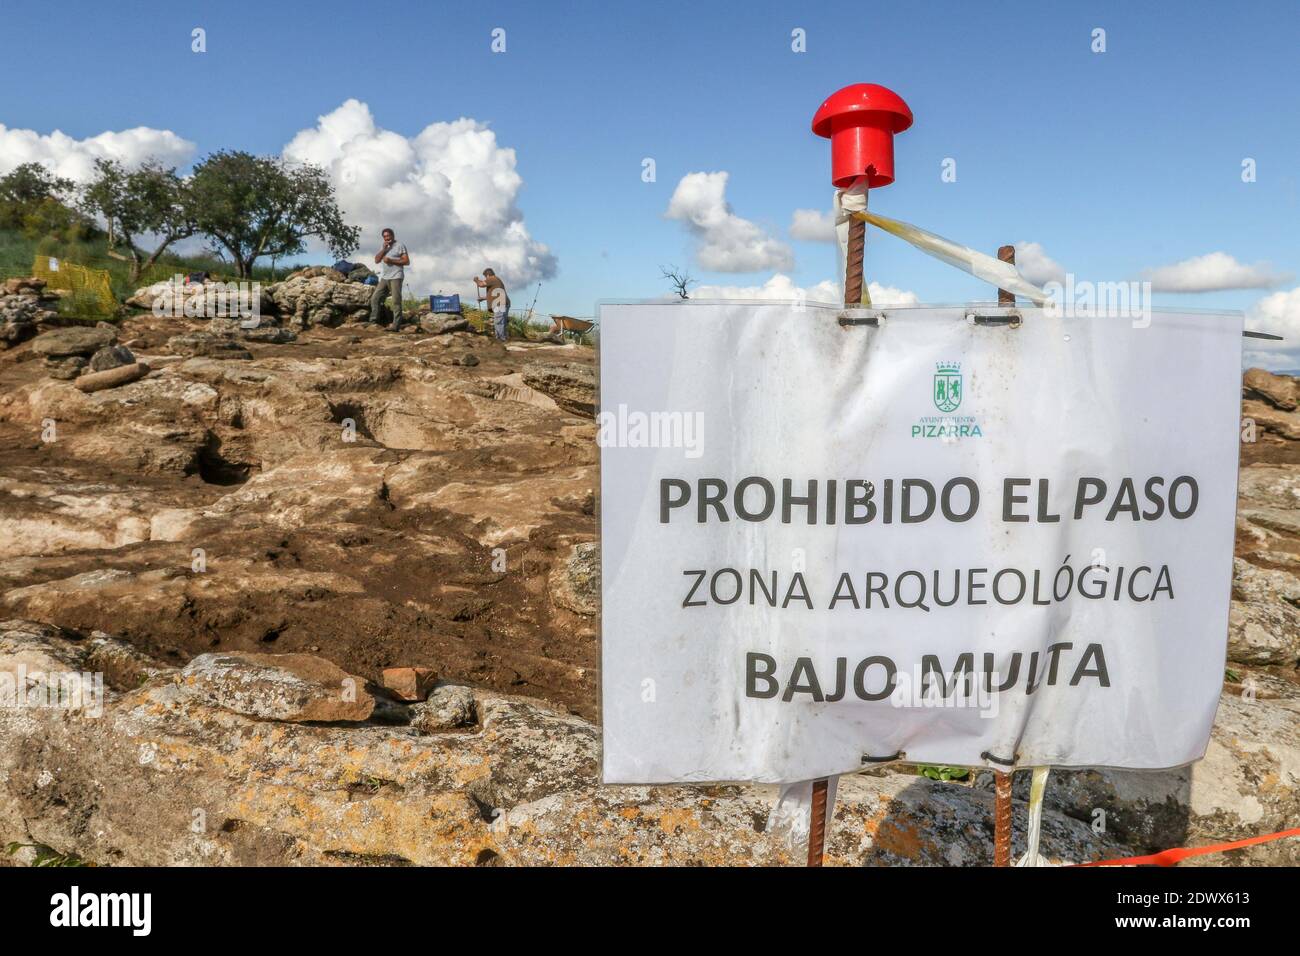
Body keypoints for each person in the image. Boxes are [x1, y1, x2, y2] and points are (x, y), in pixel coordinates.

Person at [370, 228, 410, 331]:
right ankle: (374, 321)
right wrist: (384, 249)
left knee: (396, 301)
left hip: (396, 276)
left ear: (393, 235)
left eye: (388, 236)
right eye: (385, 237)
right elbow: (376, 260)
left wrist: (391, 260)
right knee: (375, 298)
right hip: (385, 277)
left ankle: (396, 325)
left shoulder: (400, 245)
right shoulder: (384, 247)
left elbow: (406, 261)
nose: (387, 238)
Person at [474, 268, 510, 341]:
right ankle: (502, 337)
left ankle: (500, 339)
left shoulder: (492, 278)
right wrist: (483, 298)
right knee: (501, 321)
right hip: (502, 302)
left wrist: (476, 280)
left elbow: (481, 284)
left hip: (500, 303)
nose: (485, 279)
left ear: (487, 275)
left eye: (485, 277)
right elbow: (495, 296)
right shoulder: (497, 280)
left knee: (498, 321)